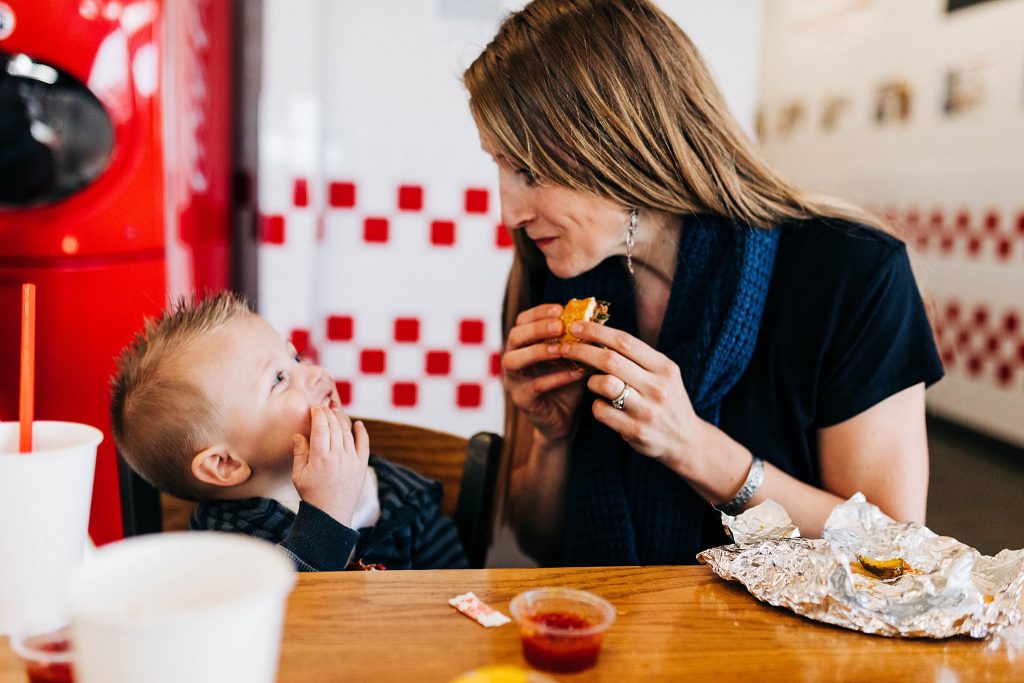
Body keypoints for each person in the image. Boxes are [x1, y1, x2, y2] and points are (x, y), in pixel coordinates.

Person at [463, 0, 944, 566]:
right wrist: (553, 439)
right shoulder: (549, 273)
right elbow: (536, 541)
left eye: (531, 171)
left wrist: (690, 446)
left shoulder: (850, 271)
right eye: (499, 165)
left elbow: (894, 551)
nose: (509, 212)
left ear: (621, 141)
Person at [110, 292, 468, 571]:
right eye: (279, 379)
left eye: (295, 358)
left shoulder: (403, 499)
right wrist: (326, 516)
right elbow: (277, 628)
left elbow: (457, 605)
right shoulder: (224, 548)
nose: (314, 373)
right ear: (225, 463)